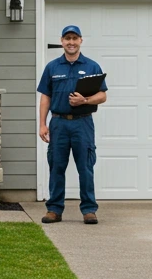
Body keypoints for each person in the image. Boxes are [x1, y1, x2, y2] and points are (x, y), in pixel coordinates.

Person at [37, 25, 107, 224]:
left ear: (80, 41)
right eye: (67, 38)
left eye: (74, 38)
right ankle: (54, 210)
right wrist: (43, 124)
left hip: (82, 124)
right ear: (62, 41)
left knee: (85, 167)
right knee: (56, 166)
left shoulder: (92, 66)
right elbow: (45, 97)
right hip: (58, 123)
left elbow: (102, 96)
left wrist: (84, 101)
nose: (71, 42)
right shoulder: (52, 67)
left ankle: (89, 210)